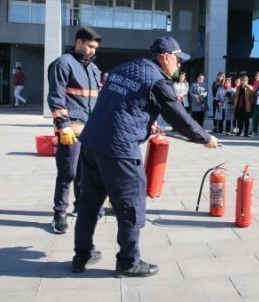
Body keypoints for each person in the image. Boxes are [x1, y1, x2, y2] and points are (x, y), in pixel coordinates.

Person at [72, 36, 219, 277]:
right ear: (165, 57)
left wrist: (145, 123)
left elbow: (124, 104)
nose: (179, 65)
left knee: (89, 202)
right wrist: (204, 138)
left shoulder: (124, 68)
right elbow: (178, 116)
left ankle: (82, 255)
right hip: (119, 149)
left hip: (91, 142)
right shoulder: (158, 81)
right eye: (177, 60)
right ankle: (128, 262)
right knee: (131, 205)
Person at [47, 27, 102, 234]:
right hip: (70, 129)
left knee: (85, 172)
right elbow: (56, 98)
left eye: (95, 47)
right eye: (89, 46)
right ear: (78, 42)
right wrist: (63, 126)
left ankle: (82, 206)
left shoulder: (93, 69)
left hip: (90, 131)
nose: (92, 51)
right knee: (67, 172)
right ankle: (59, 213)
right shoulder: (63, 64)